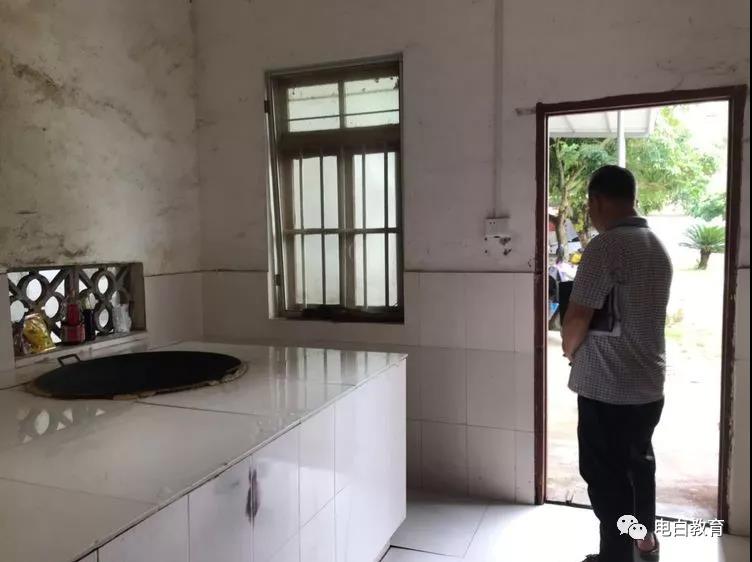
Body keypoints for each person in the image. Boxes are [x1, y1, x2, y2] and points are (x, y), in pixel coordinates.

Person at [562, 166, 673, 562]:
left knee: (606, 480)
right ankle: (645, 543)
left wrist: (569, 350)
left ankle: (616, 556)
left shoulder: (606, 247)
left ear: (597, 201)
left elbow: (578, 317)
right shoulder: (656, 246)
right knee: (638, 466)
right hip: (647, 386)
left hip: (607, 389)